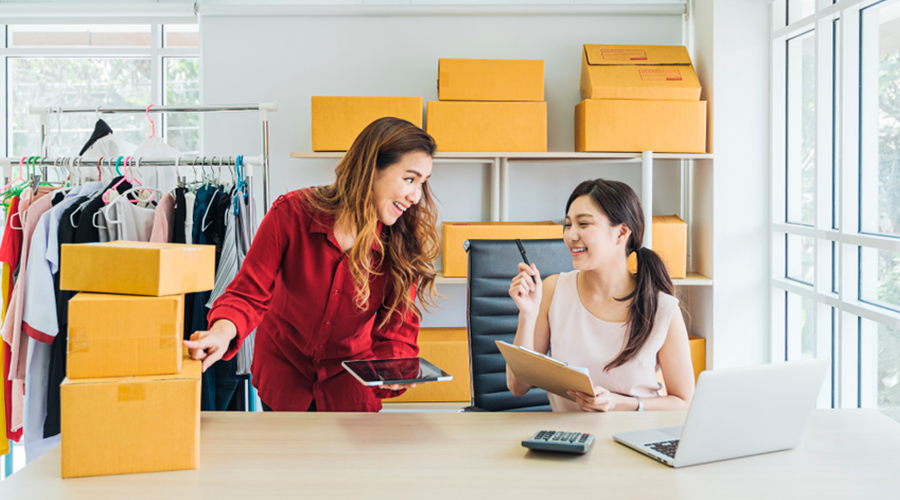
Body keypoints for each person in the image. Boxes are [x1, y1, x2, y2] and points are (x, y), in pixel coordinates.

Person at [184, 117, 440, 412]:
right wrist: (221, 332)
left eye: (422, 183)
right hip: (285, 379)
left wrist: (395, 369)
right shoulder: (291, 213)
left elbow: (397, 330)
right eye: (410, 179)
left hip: (350, 387)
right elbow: (248, 293)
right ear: (371, 168)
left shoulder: (402, 245)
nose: (416, 196)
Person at [506, 178, 695, 412]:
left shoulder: (661, 308)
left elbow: (684, 402)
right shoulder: (553, 290)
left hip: (632, 440)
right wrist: (528, 314)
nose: (570, 235)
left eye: (584, 224)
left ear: (622, 233)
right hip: (568, 442)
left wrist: (619, 403)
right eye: (568, 225)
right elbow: (517, 386)